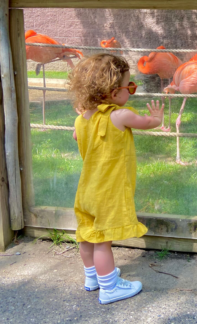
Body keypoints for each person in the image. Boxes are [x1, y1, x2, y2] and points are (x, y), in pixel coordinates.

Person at [68, 53, 166, 305]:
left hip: (86, 190)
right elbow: (145, 122)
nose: (131, 92)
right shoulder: (119, 116)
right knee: (102, 241)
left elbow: (77, 138)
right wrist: (157, 119)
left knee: (86, 234)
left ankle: (93, 278)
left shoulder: (81, 119)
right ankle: (109, 288)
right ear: (113, 92)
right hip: (107, 193)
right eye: (129, 86)